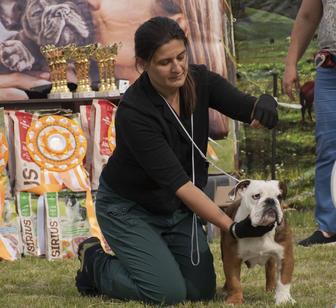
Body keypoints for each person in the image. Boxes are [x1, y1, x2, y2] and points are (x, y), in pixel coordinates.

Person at [75, 16, 278, 304]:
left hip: (176, 209)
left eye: (181, 56)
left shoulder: (199, 79)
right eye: (164, 62)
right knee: (166, 293)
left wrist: (264, 105)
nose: (177, 67)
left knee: (200, 292)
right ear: (143, 65)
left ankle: (156, 261)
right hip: (129, 208)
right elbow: (180, 185)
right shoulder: (134, 112)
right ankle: (95, 264)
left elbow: (245, 106)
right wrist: (231, 226)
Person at [283, 0, 336, 246]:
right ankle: (328, 227)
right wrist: (291, 63)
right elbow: (307, 16)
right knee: (327, 146)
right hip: (329, 67)